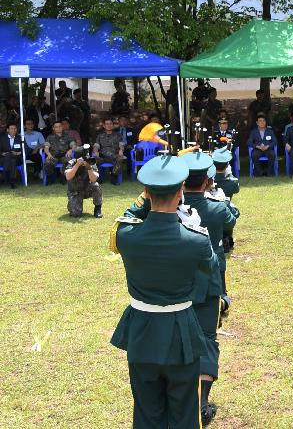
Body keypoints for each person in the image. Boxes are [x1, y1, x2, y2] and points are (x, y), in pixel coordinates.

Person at [109, 154, 216, 429]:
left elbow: (129, 217)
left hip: (142, 332)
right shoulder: (196, 239)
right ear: (181, 193)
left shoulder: (126, 236)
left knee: (146, 412)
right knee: (184, 412)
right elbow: (210, 268)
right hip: (181, 334)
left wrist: (145, 199)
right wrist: (191, 225)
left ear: (146, 193)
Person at [180, 151, 237, 425]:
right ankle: (201, 403)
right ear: (206, 181)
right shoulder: (215, 206)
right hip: (208, 281)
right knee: (206, 339)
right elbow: (231, 221)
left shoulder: (171, 209)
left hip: (177, 282)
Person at [65, 150, 102, 218]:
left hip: (86, 189)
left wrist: (89, 168)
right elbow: (68, 177)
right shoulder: (71, 162)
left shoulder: (91, 162)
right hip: (75, 191)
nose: (86, 159)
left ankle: (98, 209)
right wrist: (77, 165)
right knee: (75, 214)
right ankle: (72, 203)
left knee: (96, 185)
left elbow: (93, 179)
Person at [93, 118, 126, 185]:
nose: (109, 125)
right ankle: (99, 178)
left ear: (113, 125)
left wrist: (121, 150)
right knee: (94, 158)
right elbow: (96, 145)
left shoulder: (118, 135)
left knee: (121, 158)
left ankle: (113, 177)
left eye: (111, 124)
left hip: (114, 155)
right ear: (104, 126)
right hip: (103, 156)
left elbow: (121, 144)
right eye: (107, 124)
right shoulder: (100, 135)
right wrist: (95, 151)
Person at [1, 122, 24, 188]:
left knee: (12, 159)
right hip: (3, 159)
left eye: (15, 128)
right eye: (11, 129)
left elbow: (26, 148)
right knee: (11, 159)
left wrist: (18, 153)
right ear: (7, 130)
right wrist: (2, 153)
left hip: (17, 158)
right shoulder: (2, 138)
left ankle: (4, 174)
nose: (13, 130)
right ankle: (12, 181)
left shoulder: (19, 138)